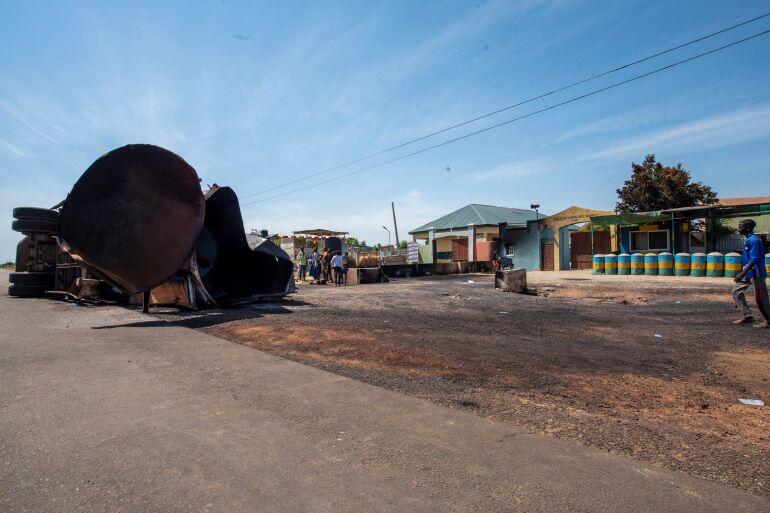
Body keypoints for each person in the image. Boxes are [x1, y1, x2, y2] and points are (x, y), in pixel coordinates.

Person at [732, 219, 769, 329]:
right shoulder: (748, 239)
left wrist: (741, 274)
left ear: (747, 228)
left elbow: (754, 259)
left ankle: (769, 321)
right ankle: (747, 316)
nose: (738, 229)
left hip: (756, 274)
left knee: (761, 298)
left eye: (740, 227)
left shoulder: (754, 240)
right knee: (736, 292)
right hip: (748, 273)